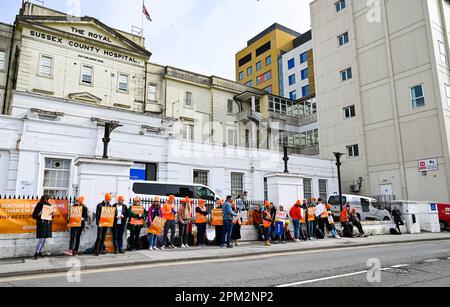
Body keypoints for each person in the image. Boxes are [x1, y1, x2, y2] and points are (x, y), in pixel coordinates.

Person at [32, 195, 53, 260]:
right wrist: (40, 213)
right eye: (49, 199)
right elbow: (34, 215)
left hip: (47, 224)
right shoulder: (39, 205)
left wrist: (52, 214)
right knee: (41, 239)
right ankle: (36, 253)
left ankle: (40, 251)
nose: (49, 200)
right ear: (46, 199)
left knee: (44, 239)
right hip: (41, 224)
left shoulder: (49, 205)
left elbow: (50, 216)